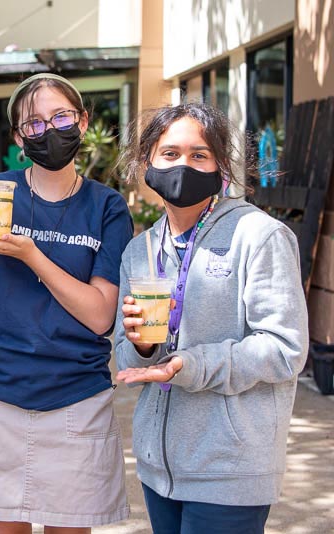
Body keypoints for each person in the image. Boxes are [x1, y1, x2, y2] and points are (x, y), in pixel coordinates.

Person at [0, 73, 132, 533]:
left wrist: (31, 254)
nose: (49, 130)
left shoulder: (107, 207)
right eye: (34, 124)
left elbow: (101, 315)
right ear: (19, 138)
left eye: (61, 116)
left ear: (82, 121)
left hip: (75, 401)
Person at [114, 102, 308, 534]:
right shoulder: (139, 250)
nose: (183, 164)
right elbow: (126, 359)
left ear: (221, 166)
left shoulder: (259, 236)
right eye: (170, 153)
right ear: (147, 162)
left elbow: (284, 349)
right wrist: (144, 346)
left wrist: (193, 365)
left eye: (199, 154)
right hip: (158, 469)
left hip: (230, 468)